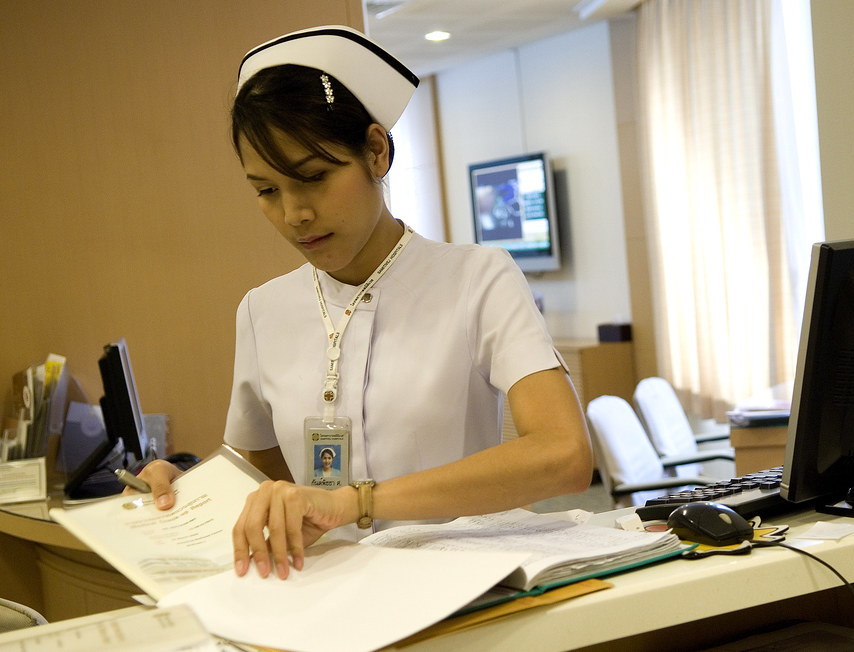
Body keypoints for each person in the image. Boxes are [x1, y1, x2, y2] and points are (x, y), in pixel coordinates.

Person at [135, 25, 593, 581]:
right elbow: (259, 477)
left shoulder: (477, 278)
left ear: (377, 151)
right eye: (266, 190)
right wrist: (181, 485)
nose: (294, 213)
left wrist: (358, 501)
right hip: (326, 594)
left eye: (313, 177)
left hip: (463, 589)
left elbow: (564, 454)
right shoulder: (262, 310)